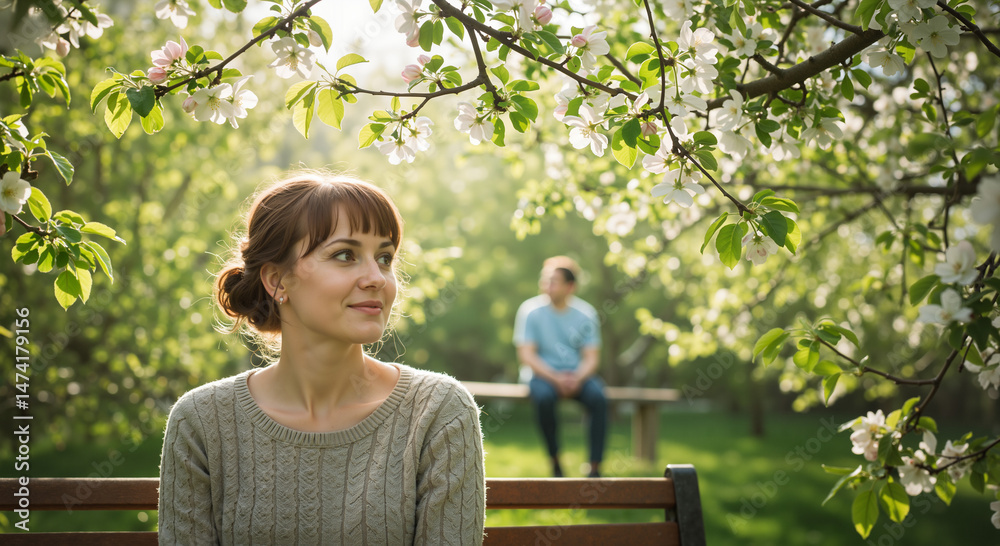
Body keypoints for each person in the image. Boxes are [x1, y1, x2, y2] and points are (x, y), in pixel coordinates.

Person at [157, 172, 486, 545]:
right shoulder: (201, 421)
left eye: (384, 257)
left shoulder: (438, 412)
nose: (376, 277)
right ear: (277, 280)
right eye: (345, 255)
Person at [513, 256, 607, 478]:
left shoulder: (587, 314)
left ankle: (594, 467)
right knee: (544, 399)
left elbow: (592, 358)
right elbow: (527, 355)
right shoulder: (530, 311)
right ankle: (555, 461)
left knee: (599, 399)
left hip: (578, 376)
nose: (547, 286)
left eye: (553, 281)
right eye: (545, 280)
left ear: (570, 286)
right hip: (542, 375)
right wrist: (556, 378)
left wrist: (576, 378)